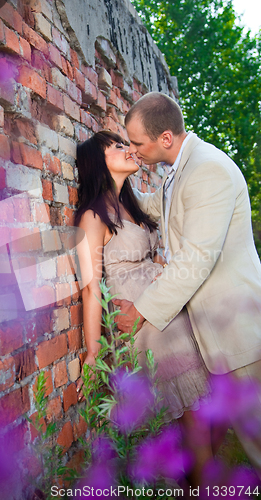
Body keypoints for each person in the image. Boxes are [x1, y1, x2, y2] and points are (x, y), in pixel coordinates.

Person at [115, 91, 261, 482]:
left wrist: (141, 311)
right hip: (214, 333)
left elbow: (195, 258)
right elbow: (160, 209)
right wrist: (118, 180)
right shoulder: (179, 170)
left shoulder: (207, 169)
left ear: (165, 138)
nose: (132, 150)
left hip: (239, 333)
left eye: (136, 143)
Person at [74, 130, 212, 485]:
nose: (128, 149)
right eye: (117, 146)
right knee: (179, 424)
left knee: (195, 421)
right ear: (98, 163)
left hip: (167, 314)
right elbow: (91, 288)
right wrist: (92, 351)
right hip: (141, 324)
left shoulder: (131, 205)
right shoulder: (94, 216)